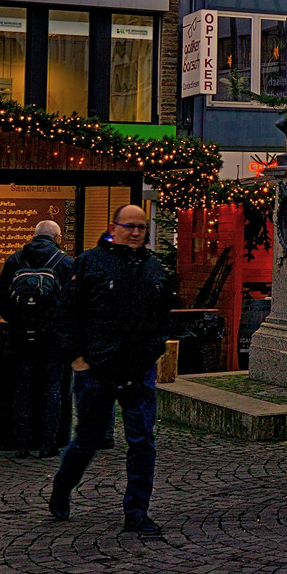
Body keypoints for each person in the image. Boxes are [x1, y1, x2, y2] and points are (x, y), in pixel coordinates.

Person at [50, 204, 176, 535]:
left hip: (139, 369)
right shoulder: (90, 262)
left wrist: (155, 350)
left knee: (142, 441)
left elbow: (163, 316)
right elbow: (66, 313)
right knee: (88, 440)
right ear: (113, 227)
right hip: (96, 370)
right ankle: (61, 490)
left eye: (141, 227)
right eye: (129, 226)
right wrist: (78, 359)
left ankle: (137, 512)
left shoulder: (153, 268)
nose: (136, 232)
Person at [0, 220, 76, 460]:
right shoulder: (65, 262)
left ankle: (21, 445)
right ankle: (48, 444)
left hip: (20, 337)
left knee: (23, 389)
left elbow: (0, 298)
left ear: (33, 235)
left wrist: (17, 321)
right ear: (57, 237)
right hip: (53, 339)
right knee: (52, 389)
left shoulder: (15, 260)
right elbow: (74, 299)